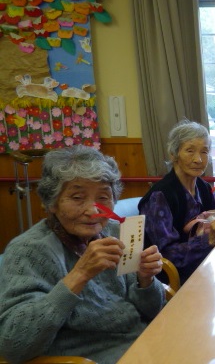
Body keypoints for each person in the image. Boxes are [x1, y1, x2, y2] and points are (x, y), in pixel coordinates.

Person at [0, 146, 165, 364]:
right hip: (92, 357)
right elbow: (14, 345)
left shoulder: (115, 231)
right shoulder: (28, 251)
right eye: (77, 197)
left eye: (103, 197)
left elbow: (153, 311)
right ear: (52, 202)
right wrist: (79, 275)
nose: (93, 211)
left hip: (144, 341)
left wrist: (145, 281)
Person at [138, 120, 215, 284]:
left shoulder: (202, 187)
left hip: (207, 266)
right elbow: (166, 254)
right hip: (175, 279)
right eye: (190, 151)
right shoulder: (159, 197)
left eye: (204, 152)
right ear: (174, 154)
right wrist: (208, 239)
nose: (198, 159)